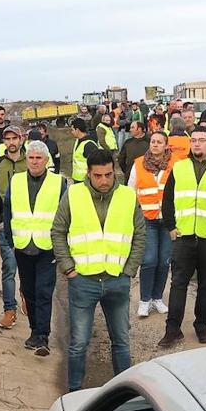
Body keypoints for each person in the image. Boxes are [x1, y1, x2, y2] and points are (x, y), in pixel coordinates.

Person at [51, 150, 145, 391]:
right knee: (79, 343)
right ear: (88, 174)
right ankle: (74, 393)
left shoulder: (127, 196)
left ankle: (124, 396)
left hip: (117, 280)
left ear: (114, 171)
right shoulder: (74, 195)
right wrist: (69, 268)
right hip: (83, 281)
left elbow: (139, 235)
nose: (104, 181)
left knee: (122, 342)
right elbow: (58, 231)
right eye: (98, 176)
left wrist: (129, 270)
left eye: (108, 175)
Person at [158, 127, 206, 346]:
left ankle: (201, 326)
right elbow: (168, 199)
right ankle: (172, 330)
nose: (197, 144)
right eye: (194, 140)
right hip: (184, 236)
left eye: (202, 140)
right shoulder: (179, 168)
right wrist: (170, 226)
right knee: (178, 283)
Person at [5, 141, 66, 356]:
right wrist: (10, 240)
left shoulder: (59, 183)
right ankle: (34, 331)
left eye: (38, 158)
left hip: (46, 247)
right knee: (29, 292)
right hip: (23, 246)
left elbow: (64, 216)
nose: (34, 161)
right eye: (31, 157)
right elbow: (8, 209)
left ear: (47, 160)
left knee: (43, 292)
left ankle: (43, 336)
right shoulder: (16, 181)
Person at [0, 125, 28, 328]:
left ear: (21, 139)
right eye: (7, 139)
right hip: (6, 225)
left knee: (28, 268)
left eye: (14, 138)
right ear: (4, 142)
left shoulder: (32, 161)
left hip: (30, 225)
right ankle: (9, 310)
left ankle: (26, 295)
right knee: (9, 269)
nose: (11, 143)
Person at [128, 131, 173, 318]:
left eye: (159, 142)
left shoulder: (175, 164)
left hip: (169, 221)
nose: (155, 145)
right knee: (148, 260)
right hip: (147, 219)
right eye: (153, 141)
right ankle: (144, 300)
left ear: (166, 145)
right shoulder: (139, 163)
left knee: (164, 261)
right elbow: (131, 191)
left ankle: (157, 298)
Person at [69, 117, 99, 182]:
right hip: (77, 179)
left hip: (86, 181)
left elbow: (96, 164)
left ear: (77, 130)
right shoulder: (77, 141)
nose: (71, 132)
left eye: (72, 130)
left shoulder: (89, 145)